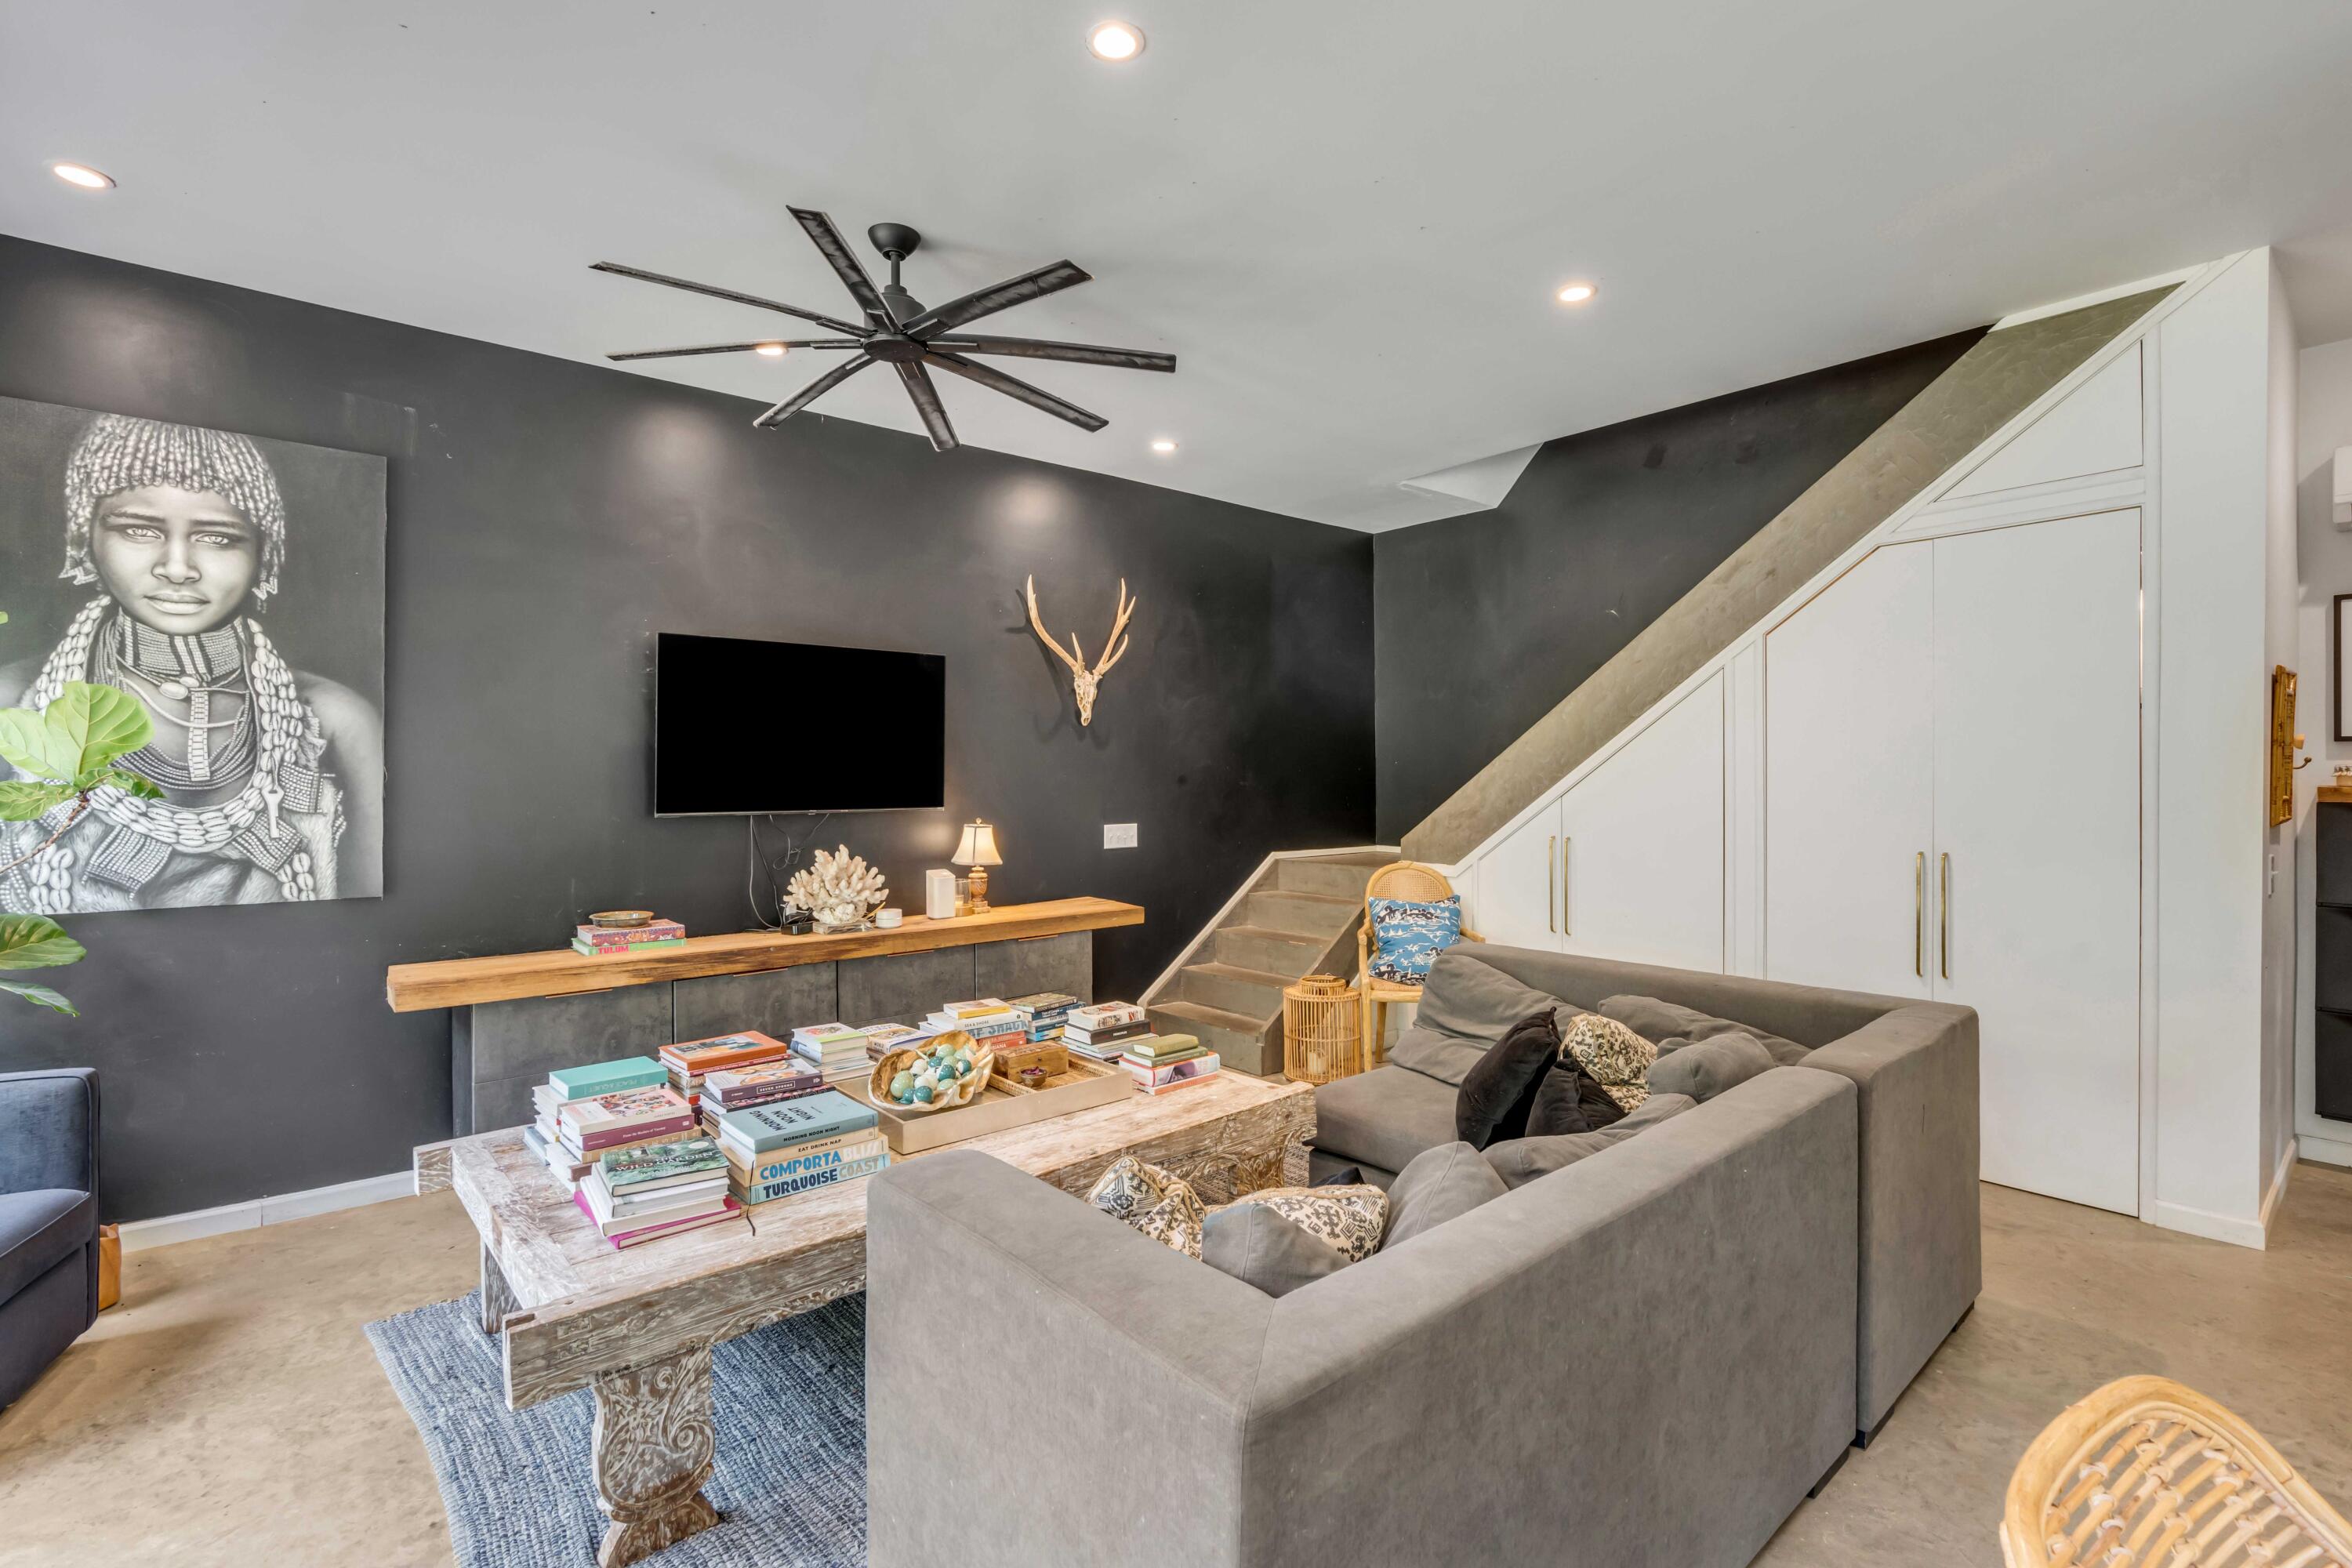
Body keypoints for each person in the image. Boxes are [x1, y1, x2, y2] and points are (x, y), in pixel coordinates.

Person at [0, 413, 381, 910]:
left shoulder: (332, 720)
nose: (177, 568)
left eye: (217, 538)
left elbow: (378, 920)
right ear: (85, 538)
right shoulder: (14, 704)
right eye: (138, 530)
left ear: (263, 552)